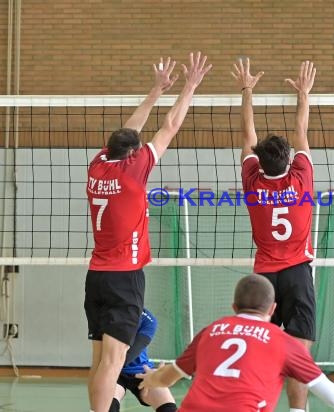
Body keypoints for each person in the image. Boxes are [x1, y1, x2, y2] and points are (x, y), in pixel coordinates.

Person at [85, 52, 212, 412]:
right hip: (124, 278)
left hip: (96, 277)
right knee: (112, 364)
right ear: (133, 155)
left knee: (99, 365)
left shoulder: (98, 166)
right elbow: (169, 126)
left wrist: (156, 89)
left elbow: (128, 132)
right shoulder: (132, 172)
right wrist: (189, 86)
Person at [135, 275, 334, 412]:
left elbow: (168, 377)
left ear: (233, 307)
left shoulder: (210, 331)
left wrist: (150, 378)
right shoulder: (283, 342)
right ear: (273, 309)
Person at [232, 58, 317, 411]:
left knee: (258, 352)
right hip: (297, 273)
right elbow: (302, 131)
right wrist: (304, 95)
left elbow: (247, 136)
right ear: (290, 161)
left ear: (259, 160)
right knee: (298, 356)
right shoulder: (302, 177)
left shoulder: (252, 180)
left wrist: (247, 90)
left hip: (263, 278)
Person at [109, 308, 176, 412]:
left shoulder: (148, 319)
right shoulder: (107, 313)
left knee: (167, 406)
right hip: (113, 368)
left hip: (142, 371)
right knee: (108, 402)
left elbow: (131, 354)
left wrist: (155, 378)